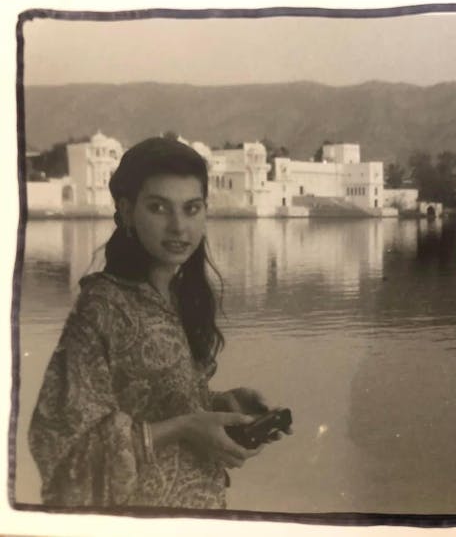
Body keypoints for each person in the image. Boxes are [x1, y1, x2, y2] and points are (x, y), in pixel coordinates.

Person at [28, 137, 277, 509]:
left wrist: (220, 402)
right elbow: (58, 442)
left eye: (192, 209)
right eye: (159, 208)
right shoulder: (102, 308)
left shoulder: (179, 298)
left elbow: (146, 400)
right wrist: (186, 427)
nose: (179, 226)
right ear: (127, 212)